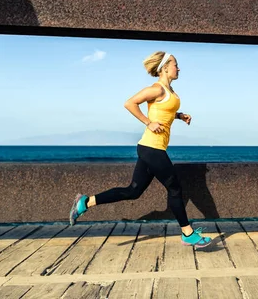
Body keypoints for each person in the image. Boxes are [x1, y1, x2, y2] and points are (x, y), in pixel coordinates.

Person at [69, 51, 212, 248]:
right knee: (175, 188)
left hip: (150, 148)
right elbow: (130, 103)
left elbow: (162, 111)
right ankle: (187, 233)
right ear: (164, 68)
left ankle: (86, 202)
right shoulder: (157, 89)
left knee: (133, 191)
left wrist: (178, 116)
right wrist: (148, 122)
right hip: (152, 148)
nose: (178, 68)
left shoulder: (168, 91)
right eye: (175, 65)